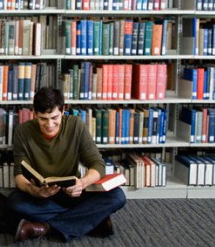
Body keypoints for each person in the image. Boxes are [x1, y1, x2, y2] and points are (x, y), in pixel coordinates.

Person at [8, 87, 126, 242]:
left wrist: (82, 184)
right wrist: (35, 191)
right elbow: (19, 174)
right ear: (35, 113)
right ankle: (90, 220)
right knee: (14, 202)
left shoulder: (76, 125)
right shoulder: (23, 131)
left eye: (54, 117)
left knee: (117, 196)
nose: (49, 125)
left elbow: (98, 165)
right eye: (43, 118)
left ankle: (44, 228)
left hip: (72, 192)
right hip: (43, 195)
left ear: (63, 111)